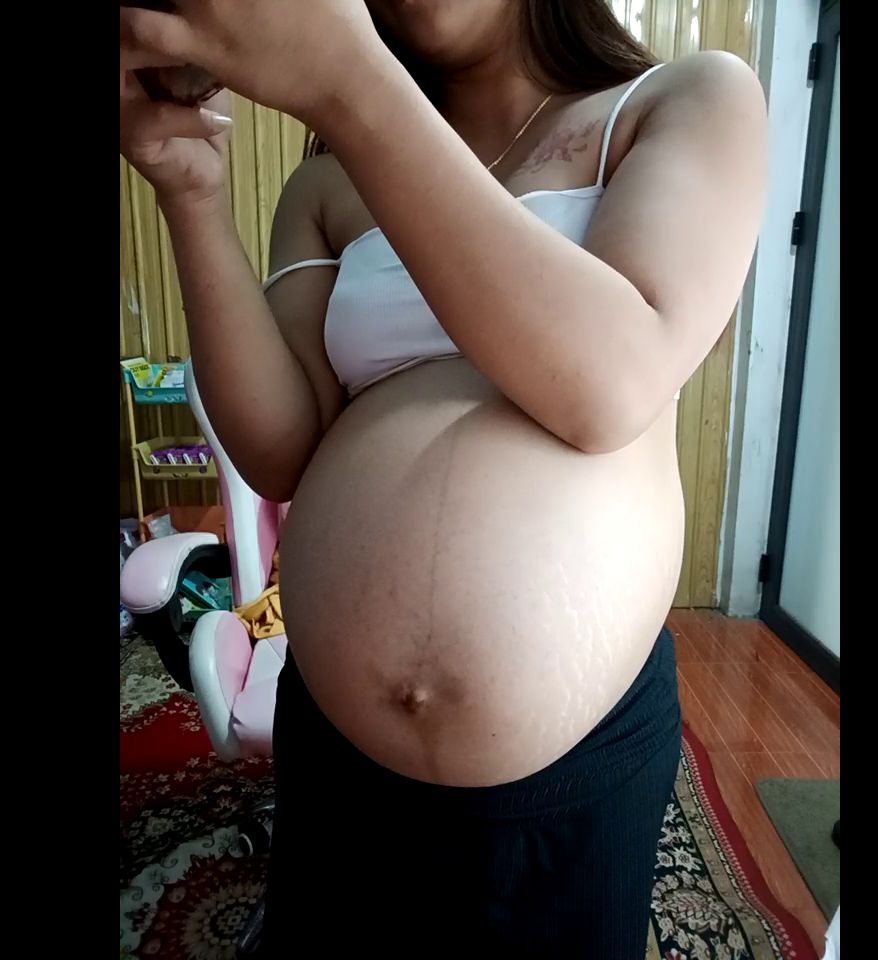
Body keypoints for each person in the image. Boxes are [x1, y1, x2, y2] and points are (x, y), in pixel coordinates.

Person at [120, 1, 767, 955]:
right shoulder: (327, 182)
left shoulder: (683, 98)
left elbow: (611, 384)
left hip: (569, 762)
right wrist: (193, 195)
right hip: (337, 740)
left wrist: (350, 84)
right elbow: (280, 450)